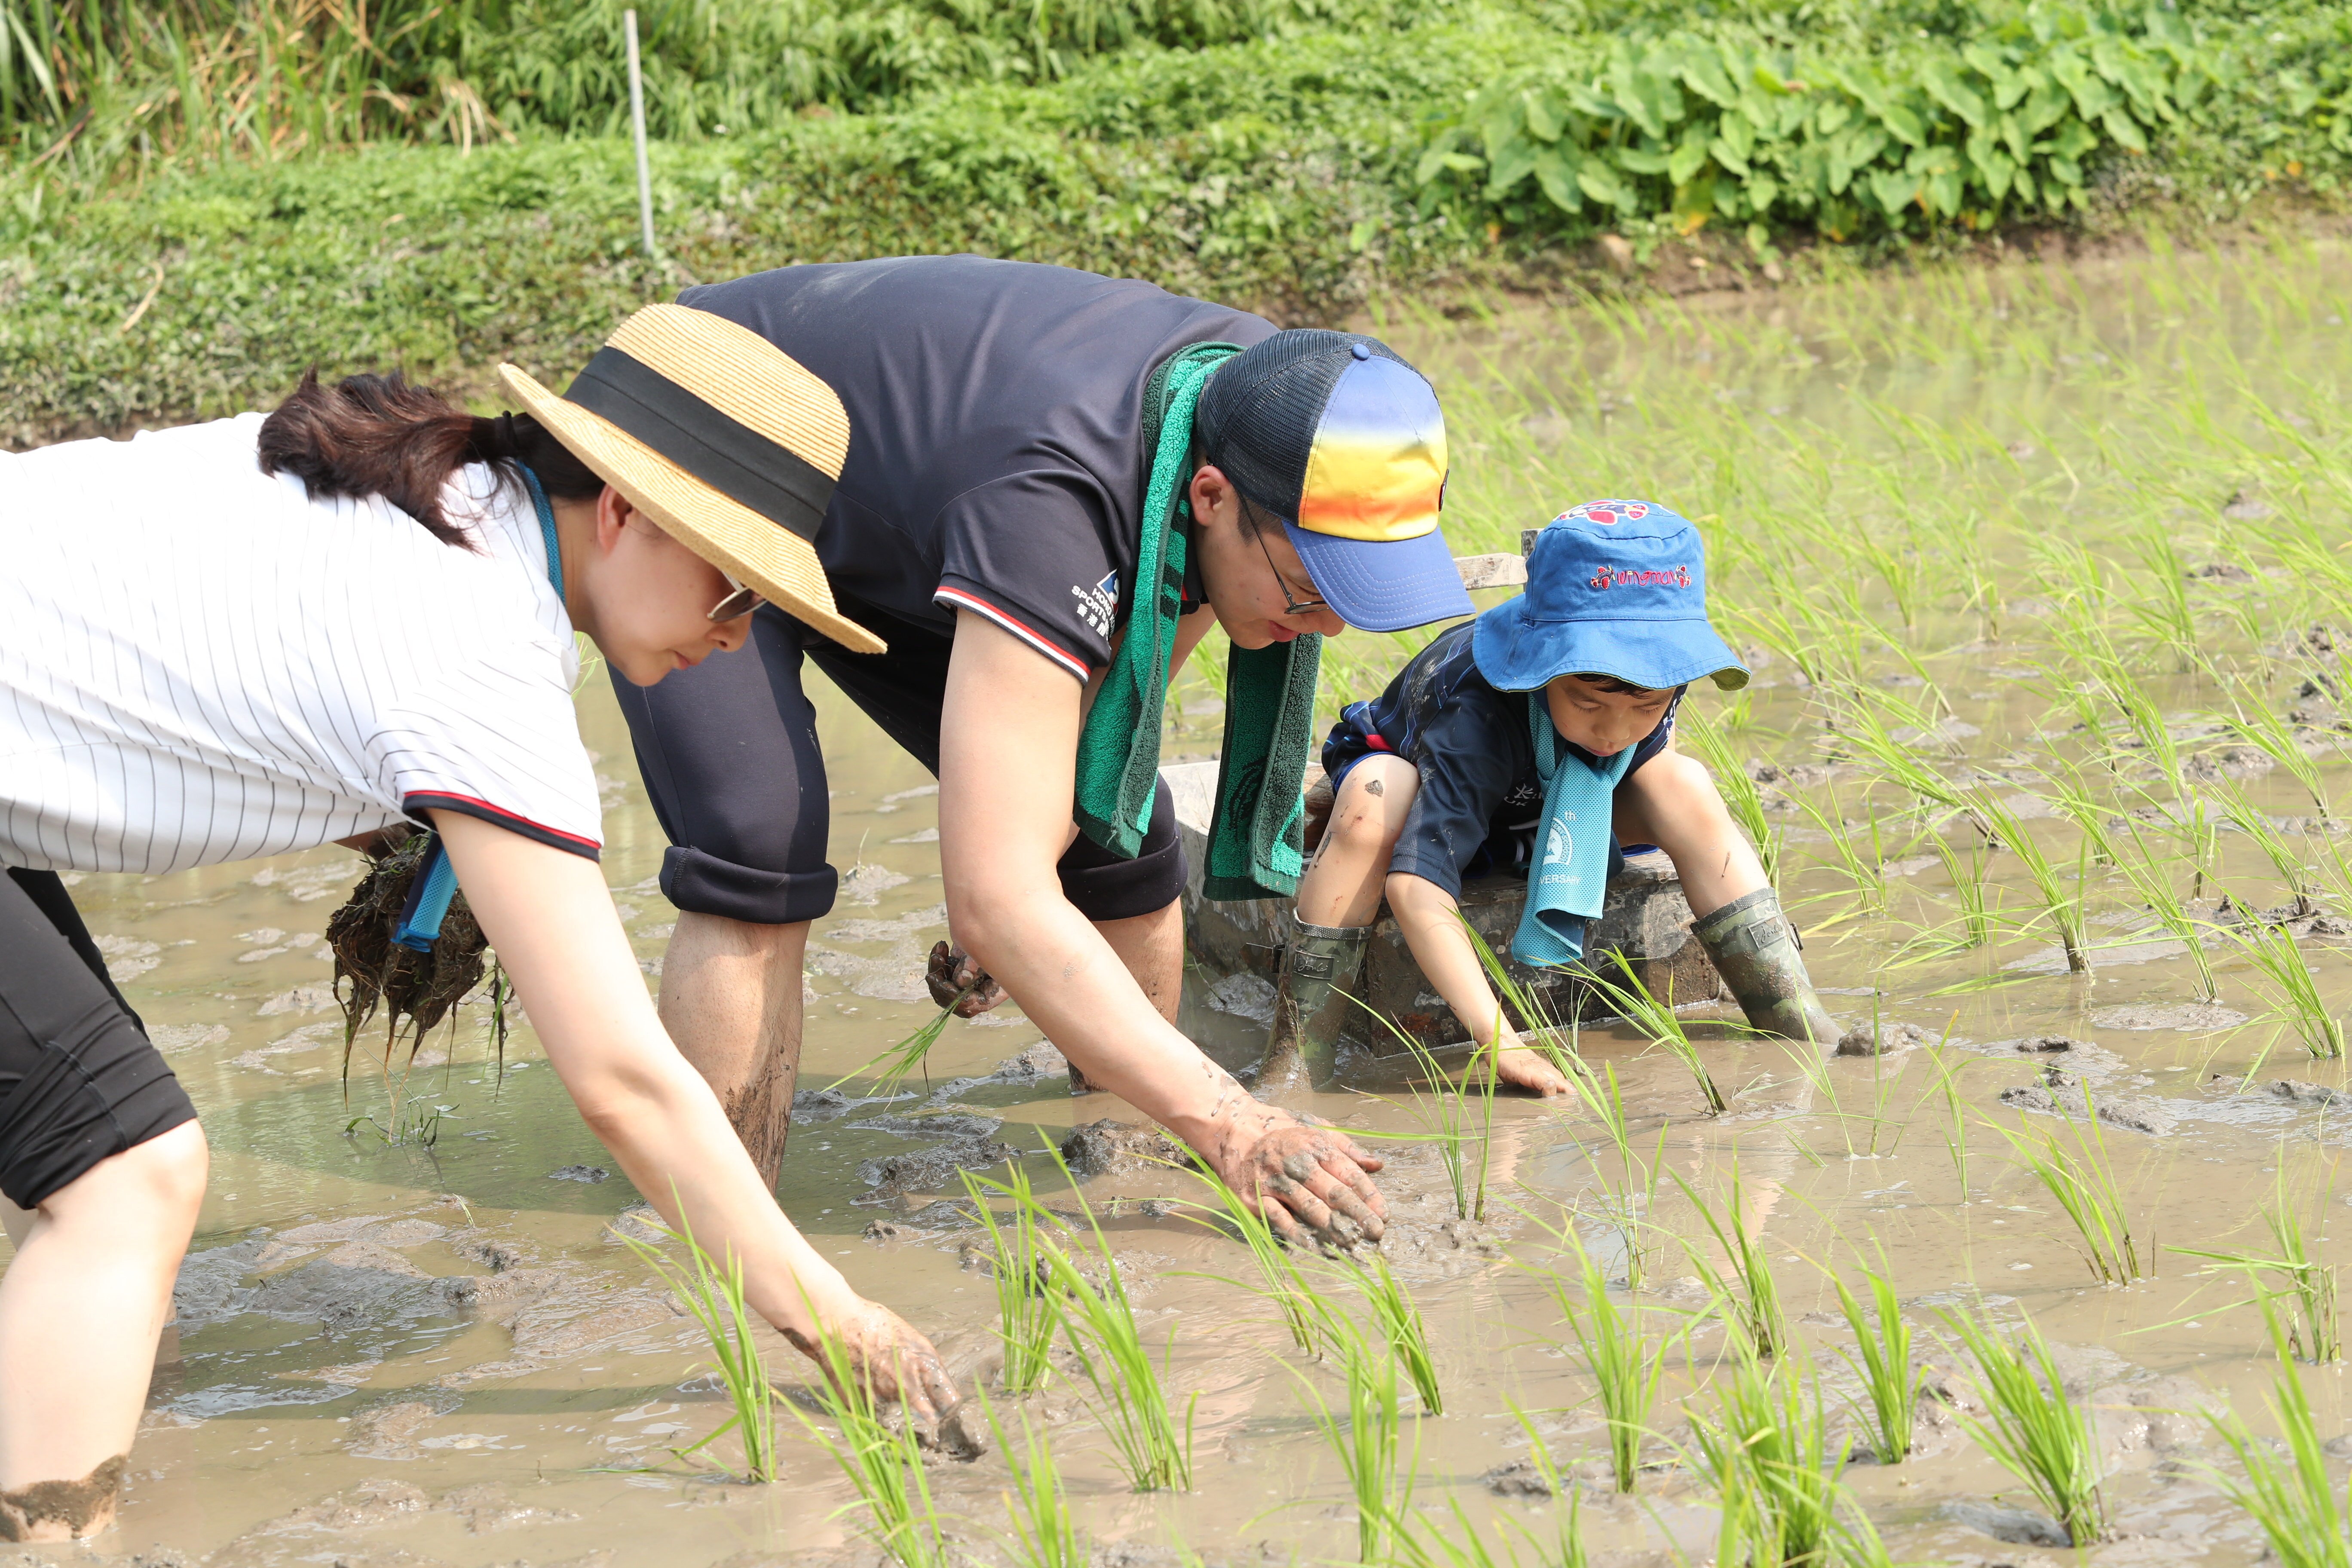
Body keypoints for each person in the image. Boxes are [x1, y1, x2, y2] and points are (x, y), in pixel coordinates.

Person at [0, 303, 955, 1543]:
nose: (736, 639)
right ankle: (51, 1535)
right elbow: (624, 1081)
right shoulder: (477, 648)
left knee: (97, 1173)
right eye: (735, 590)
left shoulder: (427, 488)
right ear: (620, 510)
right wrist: (840, 1321)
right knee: (127, 1177)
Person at [609, 256, 1478, 1248]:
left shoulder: (1273, 401)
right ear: (1208, 498)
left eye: (1354, 600)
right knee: (758, 837)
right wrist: (1234, 1119)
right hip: (705, 432)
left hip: (906, 498)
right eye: (1309, 591)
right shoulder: (1057, 504)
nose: (1319, 623)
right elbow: (998, 891)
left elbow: (1114, 716)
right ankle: (717, 1234)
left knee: (1118, 830)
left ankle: (1126, 1180)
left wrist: (1015, 889)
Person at [1265, 499, 1840, 1093]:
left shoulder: (1655, 684)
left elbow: (1638, 743)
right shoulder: (1476, 714)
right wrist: (1502, 1045)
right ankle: (1296, 1062)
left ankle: (1797, 1017)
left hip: (1542, 804)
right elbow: (1415, 888)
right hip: (1430, 796)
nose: (1614, 730)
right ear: (1538, 667)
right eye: (1589, 703)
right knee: (1374, 795)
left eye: (1645, 706)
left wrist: (1630, 721)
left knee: (1684, 781)